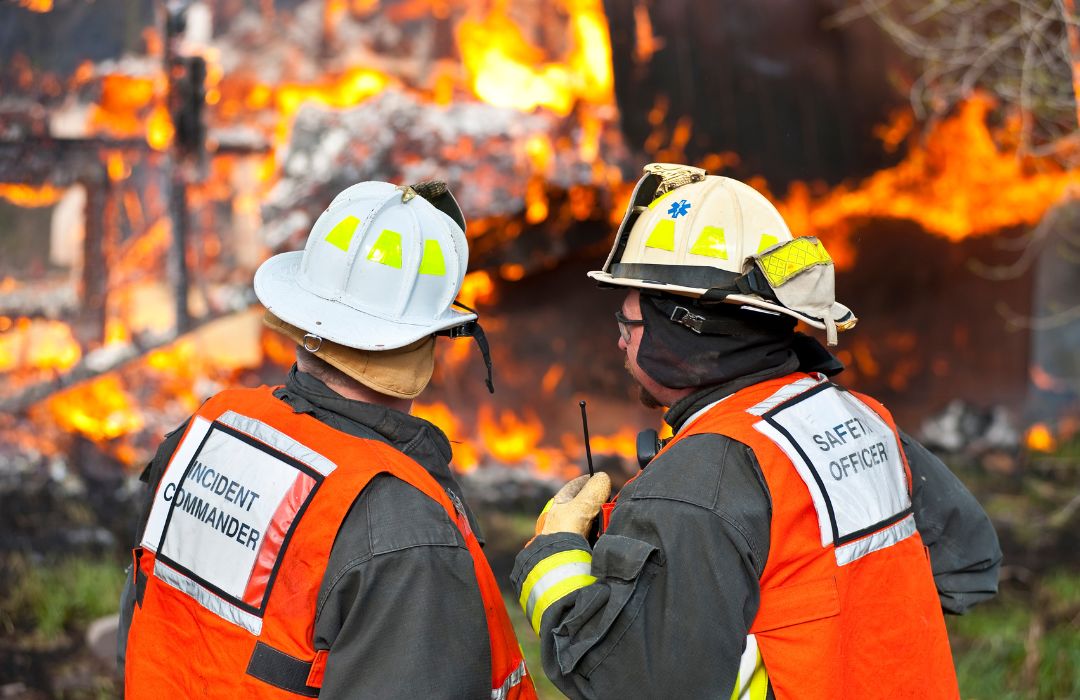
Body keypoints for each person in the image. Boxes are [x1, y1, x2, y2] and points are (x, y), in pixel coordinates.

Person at [512, 164, 1002, 699]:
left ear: (680, 330)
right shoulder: (861, 418)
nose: (620, 344)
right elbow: (967, 566)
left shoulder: (699, 481)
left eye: (627, 325)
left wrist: (556, 555)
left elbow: (628, 684)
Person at [118, 180, 535, 699]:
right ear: (428, 340)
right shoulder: (402, 527)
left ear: (301, 311)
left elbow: (143, 618)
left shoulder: (209, 429)